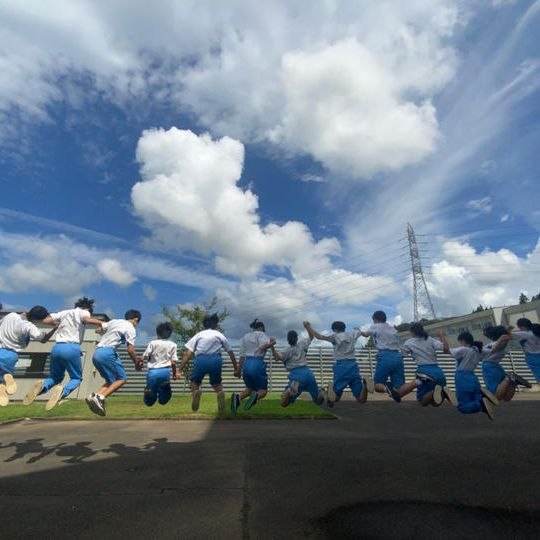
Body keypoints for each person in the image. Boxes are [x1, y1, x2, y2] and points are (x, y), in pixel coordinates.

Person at [23, 297, 104, 410]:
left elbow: (46, 320)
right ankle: (62, 393)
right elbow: (87, 319)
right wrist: (103, 323)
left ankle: (43, 386)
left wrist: (57, 325)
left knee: (55, 377)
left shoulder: (64, 312)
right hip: (71, 348)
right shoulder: (84, 311)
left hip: (57, 348)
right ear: (88, 308)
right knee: (76, 378)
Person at [85, 309, 142, 416]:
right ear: (136, 319)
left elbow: (99, 329)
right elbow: (130, 350)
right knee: (122, 379)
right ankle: (101, 397)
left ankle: (94, 396)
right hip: (108, 353)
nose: (136, 325)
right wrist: (136, 363)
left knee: (111, 381)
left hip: (96, 353)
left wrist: (100, 330)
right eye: (137, 323)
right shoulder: (131, 328)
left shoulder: (115, 321)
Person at [179, 313, 238, 414]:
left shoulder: (199, 335)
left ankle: (196, 392)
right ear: (215, 325)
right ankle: (220, 392)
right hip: (216, 360)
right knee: (217, 384)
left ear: (204, 324)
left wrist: (180, 369)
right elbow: (230, 352)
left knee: (195, 382)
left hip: (201, 359)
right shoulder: (219, 335)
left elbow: (188, 353)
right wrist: (236, 368)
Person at [303, 321, 372, 407]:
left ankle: (326, 392)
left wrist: (308, 327)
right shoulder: (352, 334)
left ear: (334, 329)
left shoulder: (335, 336)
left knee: (334, 398)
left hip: (341, 367)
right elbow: (362, 332)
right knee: (361, 400)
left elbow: (319, 337)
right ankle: (365, 384)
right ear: (344, 328)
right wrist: (358, 330)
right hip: (353, 366)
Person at [0, 306, 57, 407]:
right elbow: (43, 339)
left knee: (1, 382)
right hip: (10, 355)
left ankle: (4, 380)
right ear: (36, 319)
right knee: (4, 383)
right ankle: (6, 378)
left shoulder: (11, 315)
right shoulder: (28, 326)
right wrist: (54, 329)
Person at [439, 330, 502, 420]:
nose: (460, 344)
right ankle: (482, 400)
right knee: (475, 399)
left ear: (463, 340)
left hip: (462, 377)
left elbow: (446, 350)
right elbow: (494, 349)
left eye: (460, 342)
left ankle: (481, 404)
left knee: (462, 407)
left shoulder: (463, 349)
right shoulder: (479, 350)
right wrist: (502, 338)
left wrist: (441, 335)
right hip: (473, 378)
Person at [398, 323, 456, 407]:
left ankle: (440, 391)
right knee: (435, 403)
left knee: (422, 401)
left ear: (412, 332)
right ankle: (442, 391)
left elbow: (401, 356)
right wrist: (441, 335)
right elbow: (446, 349)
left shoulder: (409, 342)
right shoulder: (430, 339)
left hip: (424, 372)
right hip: (438, 372)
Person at [270, 322, 325, 407]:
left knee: (284, 403)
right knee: (317, 401)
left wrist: (272, 346)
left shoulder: (286, 351)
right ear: (297, 338)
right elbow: (311, 336)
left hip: (296, 375)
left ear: (288, 340)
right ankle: (322, 393)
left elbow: (276, 357)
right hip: (308, 373)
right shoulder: (302, 344)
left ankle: (289, 392)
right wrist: (307, 327)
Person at [360, 311, 405, 402]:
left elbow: (365, 334)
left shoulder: (375, 326)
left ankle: (387, 388)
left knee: (377, 385)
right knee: (399, 387)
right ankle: (393, 390)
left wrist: (359, 331)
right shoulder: (393, 329)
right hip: (398, 356)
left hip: (385, 356)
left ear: (375, 319)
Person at [232, 319, 275, 412]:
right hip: (257, 363)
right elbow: (263, 346)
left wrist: (238, 370)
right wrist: (272, 343)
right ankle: (255, 397)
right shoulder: (261, 334)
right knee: (263, 391)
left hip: (246, 364)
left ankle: (237, 398)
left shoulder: (245, 337)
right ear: (261, 328)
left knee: (249, 388)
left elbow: (242, 356)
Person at [482, 325, 531, 401]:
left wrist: (503, 336)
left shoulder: (497, 343)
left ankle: (509, 378)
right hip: (496, 367)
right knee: (506, 398)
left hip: (490, 368)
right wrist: (507, 330)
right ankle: (513, 382)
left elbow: (496, 347)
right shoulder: (493, 343)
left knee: (494, 396)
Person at [140, 322, 178, 407]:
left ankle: (148, 393)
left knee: (149, 402)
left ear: (157, 333)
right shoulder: (173, 345)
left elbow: (144, 356)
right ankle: (166, 388)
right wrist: (175, 374)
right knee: (164, 400)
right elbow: (173, 362)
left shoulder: (153, 343)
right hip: (165, 372)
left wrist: (140, 363)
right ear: (169, 334)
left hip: (152, 372)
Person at [511, 318, 540, 387]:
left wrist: (508, 328)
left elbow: (508, 335)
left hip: (533, 358)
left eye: (519, 328)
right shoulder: (537, 331)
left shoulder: (526, 334)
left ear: (522, 327)